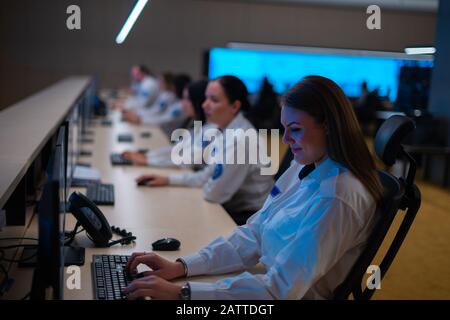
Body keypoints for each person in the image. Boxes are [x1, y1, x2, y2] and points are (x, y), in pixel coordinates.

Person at [122, 75, 384, 300]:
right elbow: (255, 233)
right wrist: (181, 267)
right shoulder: (305, 166)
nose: (284, 140)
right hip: (264, 279)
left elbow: (280, 291)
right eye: (283, 129)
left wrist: (184, 294)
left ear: (328, 126)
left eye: (295, 129)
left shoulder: (337, 196)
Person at [135, 75, 274, 225]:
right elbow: (207, 176)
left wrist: (182, 186)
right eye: (206, 98)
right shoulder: (225, 130)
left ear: (234, 106)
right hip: (231, 207)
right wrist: (168, 180)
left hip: (249, 218)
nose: (204, 105)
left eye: (214, 100)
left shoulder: (239, 139)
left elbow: (214, 194)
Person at [121, 79, 212, 169]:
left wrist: (148, 160)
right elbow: (177, 148)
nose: (183, 103)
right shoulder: (198, 123)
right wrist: (148, 156)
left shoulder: (209, 129)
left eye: (187, 99)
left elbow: (186, 159)